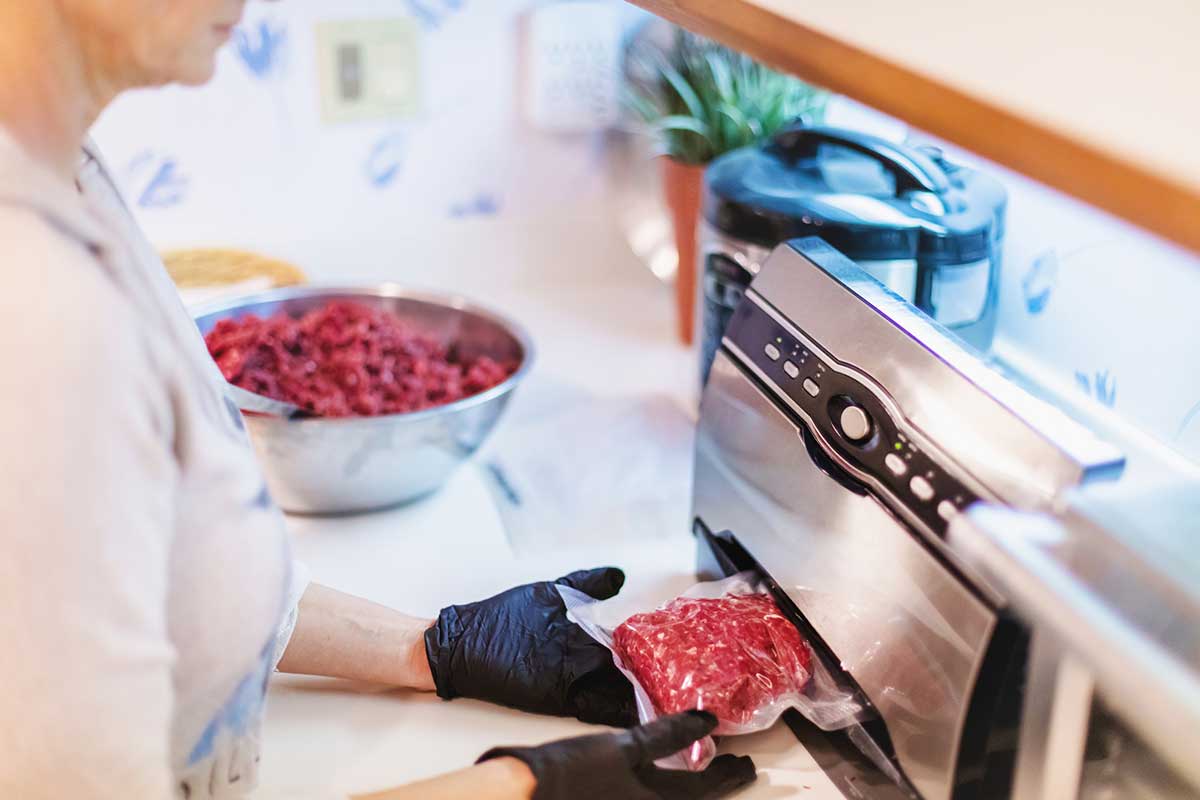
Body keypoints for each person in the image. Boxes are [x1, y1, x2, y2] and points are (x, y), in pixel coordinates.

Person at [0, 2, 758, 799]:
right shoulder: (40, 305)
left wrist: (434, 649)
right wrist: (519, 788)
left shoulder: (62, 173)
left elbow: (171, 555)